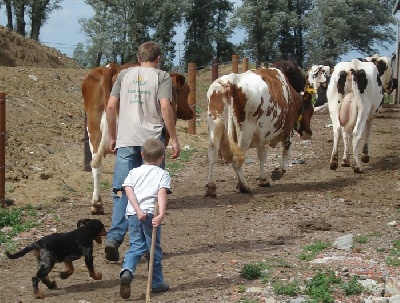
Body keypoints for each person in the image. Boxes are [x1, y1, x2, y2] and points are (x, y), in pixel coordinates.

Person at [104, 41, 181, 261]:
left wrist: (112, 136)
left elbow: (110, 107)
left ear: (138, 58)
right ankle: (148, 246)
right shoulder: (161, 76)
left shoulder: (123, 75)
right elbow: (165, 106)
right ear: (158, 59)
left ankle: (114, 238)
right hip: (152, 143)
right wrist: (174, 138)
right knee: (153, 191)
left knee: (121, 190)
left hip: (127, 139)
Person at [119, 138, 170, 299]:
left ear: (142, 155)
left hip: (134, 215)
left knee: (136, 246)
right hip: (151, 215)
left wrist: (137, 210)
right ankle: (156, 282)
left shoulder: (133, 172)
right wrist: (161, 214)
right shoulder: (163, 174)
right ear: (161, 158)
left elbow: (128, 190)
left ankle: (127, 270)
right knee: (153, 249)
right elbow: (161, 193)